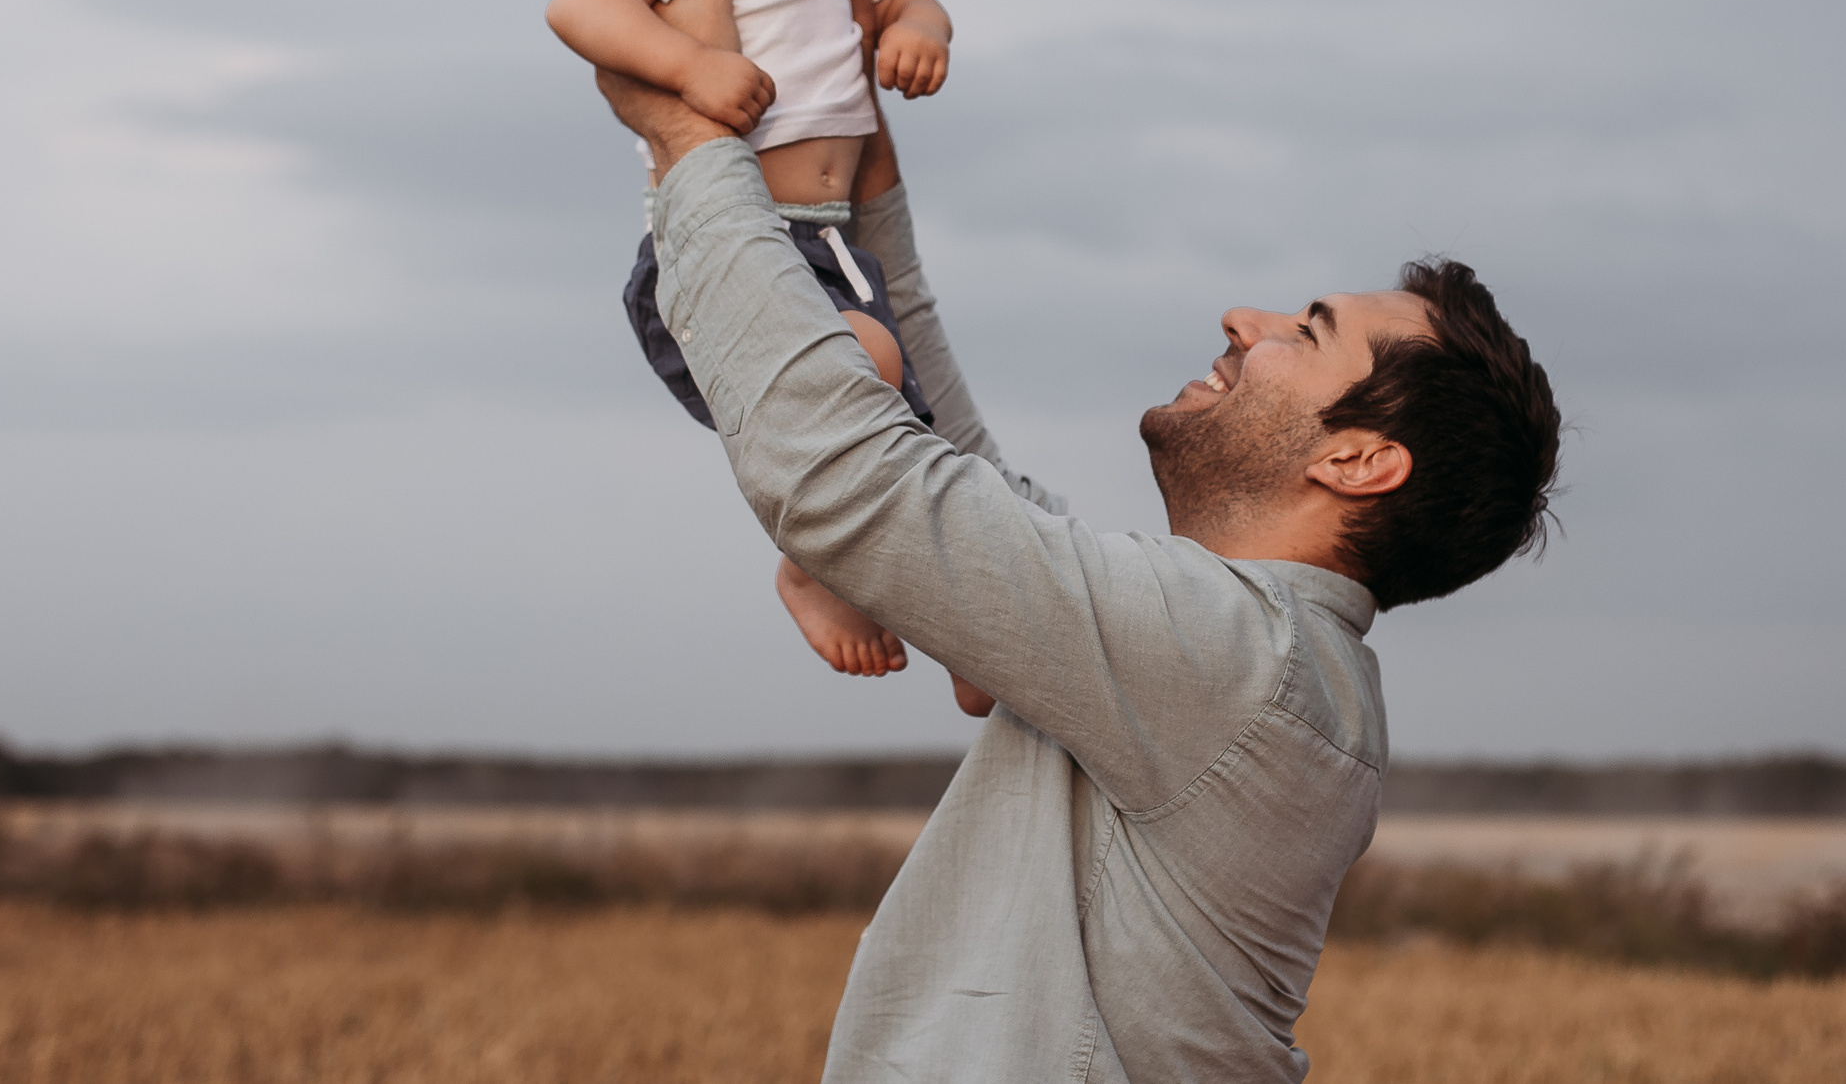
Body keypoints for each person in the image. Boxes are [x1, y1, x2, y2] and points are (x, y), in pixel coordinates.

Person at [601, 71, 1562, 1083]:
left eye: (1307, 332)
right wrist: (859, 177)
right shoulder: (1252, 658)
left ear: (1359, 462)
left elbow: (849, 478)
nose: (1244, 318)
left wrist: (689, 146)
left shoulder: (1237, 657)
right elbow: (957, 476)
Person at [546, 0, 1055, 715]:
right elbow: (581, 4)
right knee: (862, 376)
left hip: (828, 245)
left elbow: (911, 0)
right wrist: (687, 73)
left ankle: (965, 610)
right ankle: (813, 561)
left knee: (904, 434)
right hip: (728, 250)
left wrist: (922, 30)